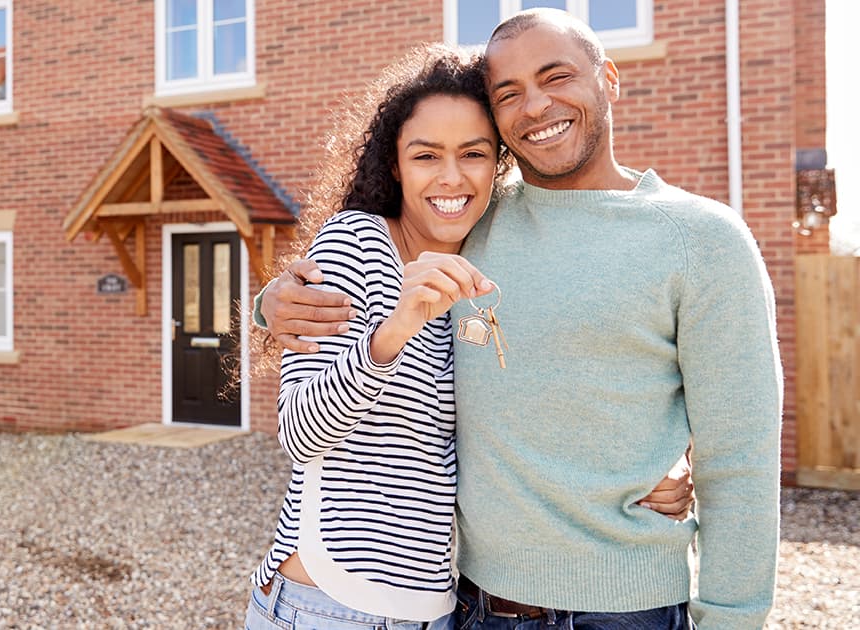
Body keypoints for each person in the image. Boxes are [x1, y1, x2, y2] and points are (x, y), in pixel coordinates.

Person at [257, 9, 781, 630]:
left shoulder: (701, 238)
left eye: (556, 77)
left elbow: (740, 457)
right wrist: (269, 301)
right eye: (509, 93)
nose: (535, 106)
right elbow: (367, 263)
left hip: (628, 608)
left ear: (608, 78)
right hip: (479, 606)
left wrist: (730, 615)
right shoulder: (472, 219)